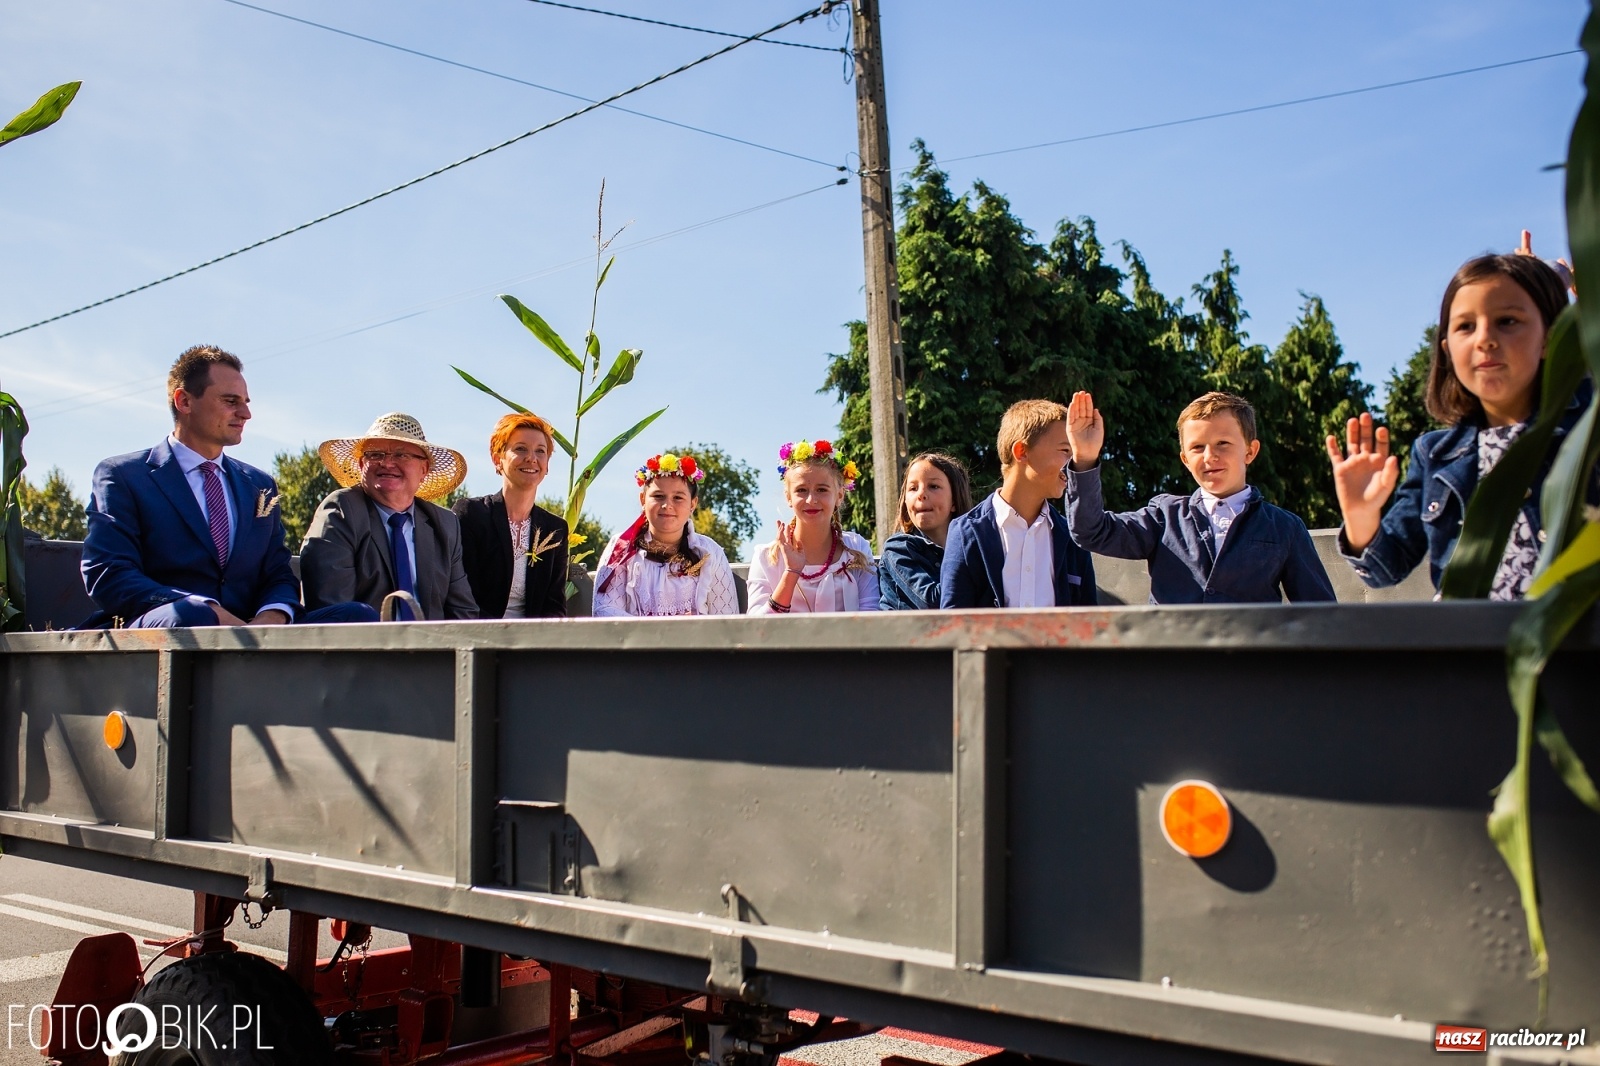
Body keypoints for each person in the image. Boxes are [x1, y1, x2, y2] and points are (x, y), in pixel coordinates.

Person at [1329, 253, 1588, 598]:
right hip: (1468, 644)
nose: (1484, 338)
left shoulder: (1587, 430)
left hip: (1568, 643)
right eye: (1465, 326)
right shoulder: (1435, 454)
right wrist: (1361, 517)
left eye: (1508, 320)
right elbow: (1384, 569)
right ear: (1448, 350)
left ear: (1549, 338)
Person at [80, 345, 377, 628]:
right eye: (230, 401)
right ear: (184, 401)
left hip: (254, 629)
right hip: (170, 626)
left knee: (357, 616)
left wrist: (273, 616)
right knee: (192, 614)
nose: (246, 414)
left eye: (245, 403)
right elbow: (109, 574)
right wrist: (209, 611)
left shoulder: (260, 485)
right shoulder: (123, 475)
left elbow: (277, 573)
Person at [1064, 390, 1336, 604]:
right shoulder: (1163, 517)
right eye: (1197, 447)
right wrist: (1085, 459)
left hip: (1251, 671)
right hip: (1174, 669)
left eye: (1223, 444)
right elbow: (1091, 532)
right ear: (1184, 459)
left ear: (1250, 452)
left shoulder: (1285, 527)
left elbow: (1319, 612)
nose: (1209, 457)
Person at [300, 413, 478, 620]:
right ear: (361, 465)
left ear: (424, 470)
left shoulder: (445, 524)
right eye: (375, 454)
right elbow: (336, 611)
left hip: (433, 648)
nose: (387, 463)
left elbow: (463, 615)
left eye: (401, 455)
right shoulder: (341, 510)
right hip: (361, 647)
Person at [940, 399, 1097, 609]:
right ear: (1021, 451)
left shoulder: (1073, 538)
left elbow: (1089, 625)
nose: (1073, 463)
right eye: (1065, 451)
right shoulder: (966, 532)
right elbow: (953, 624)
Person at [592, 451, 739, 616]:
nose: (667, 505)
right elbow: (604, 610)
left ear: (693, 503)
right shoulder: (621, 547)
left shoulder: (710, 552)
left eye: (678, 498)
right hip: (636, 641)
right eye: (658, 496)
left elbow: (726, 619)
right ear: (642, 500)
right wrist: (663, 630)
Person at [453, 413, 570, 619]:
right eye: (520, 449)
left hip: (533, 643)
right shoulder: (471, 514)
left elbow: (554, 605)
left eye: (540, 451)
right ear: (497, 459)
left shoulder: (556, 529)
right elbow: (463, 597)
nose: (531, 458)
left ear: (547, 464)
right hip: (477, 637)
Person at [746, 439, 879, 613]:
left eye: (822, 490)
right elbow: (756, 630)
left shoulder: (857, 548)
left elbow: (872, 615)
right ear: (788, 498)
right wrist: (791, 571)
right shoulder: (766, 557)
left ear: (839, 496)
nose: (811, 500)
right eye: (801, 490)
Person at [878, 453, 972, 611]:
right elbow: (933, 602)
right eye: (913, 488)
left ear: (954, 500)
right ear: (905, 501)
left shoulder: (970, 545)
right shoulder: (898, 548)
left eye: (933, 486)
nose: (921, 494)